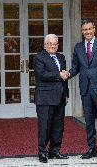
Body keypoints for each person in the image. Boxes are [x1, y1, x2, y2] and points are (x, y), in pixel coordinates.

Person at [67, 19, 97, 161]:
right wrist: (68, 74)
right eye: (84, 30)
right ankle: (92, 149)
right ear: (82, 32)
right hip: (86, 89)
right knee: (88, 121)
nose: (87, 32)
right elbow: (76, 67)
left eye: (89, 29)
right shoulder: (78, 47)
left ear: (94, 29)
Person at [33, 34, 69, 163]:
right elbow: (41, 74)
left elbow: (63, 78)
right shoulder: (39, 57)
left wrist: (66, 93)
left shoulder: (61, 57)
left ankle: (55, 151)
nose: (53, 46)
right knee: (45, 126)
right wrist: (59, 74)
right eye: (50, 43)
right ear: (45, 45)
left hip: (60, 97)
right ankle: (42, 152)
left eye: (55, 44)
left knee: (58, 126)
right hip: (45, 98)